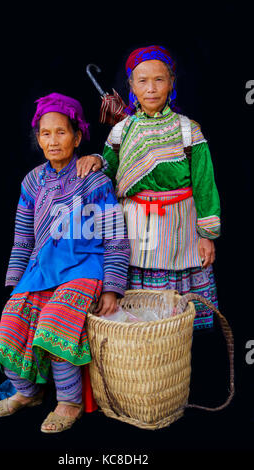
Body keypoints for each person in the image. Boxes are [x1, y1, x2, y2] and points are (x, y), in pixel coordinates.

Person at [0, 92, 130, 433]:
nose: (53, 141)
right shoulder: (33, 181)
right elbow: (22, 239)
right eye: (45, 134)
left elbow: (115, 238)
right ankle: (28, 393)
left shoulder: (95, 180)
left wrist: (112, 289)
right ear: (38, 138)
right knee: (10, 326)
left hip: (84, 269)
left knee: (55, 327)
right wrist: (16, 284)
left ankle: (69, 402)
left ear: (77, 136)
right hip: (41, 272)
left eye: (61, 132)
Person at [77, 45, 220, 330]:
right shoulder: (122, 130)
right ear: (131, 85)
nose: (151, 88)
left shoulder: (187, 130)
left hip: (179, 228)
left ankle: (170, 358)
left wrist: (207, 235)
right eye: (142, 81)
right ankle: (141, 363)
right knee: (137, 315)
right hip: (136, 228)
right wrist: (95, 158)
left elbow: (205, 184)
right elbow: (108, 170)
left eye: (159, 79)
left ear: (171, 83)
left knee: (174, 321)